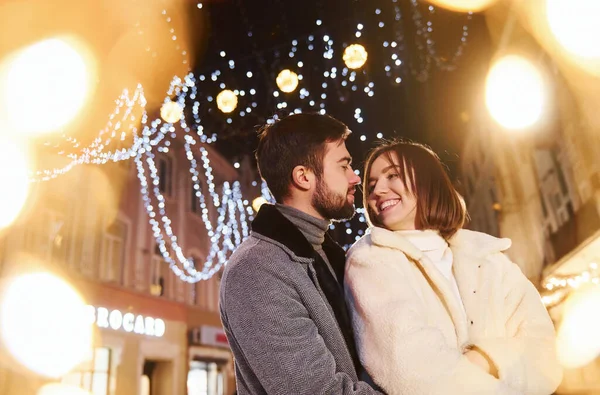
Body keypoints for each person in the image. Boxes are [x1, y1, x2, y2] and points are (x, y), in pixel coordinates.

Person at [345, 140, 563, 395]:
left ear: (427, 181)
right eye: (371, 185)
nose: (377, 190)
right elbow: (416, 371)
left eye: (392, 175)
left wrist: (484, 359)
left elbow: (545, 354)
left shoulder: (488, 257)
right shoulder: (370, 260)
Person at [219, 113, 383, 395]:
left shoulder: (328, 254)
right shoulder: (256, 272)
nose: (356, 177)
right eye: (343, 166)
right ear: (303, 176)